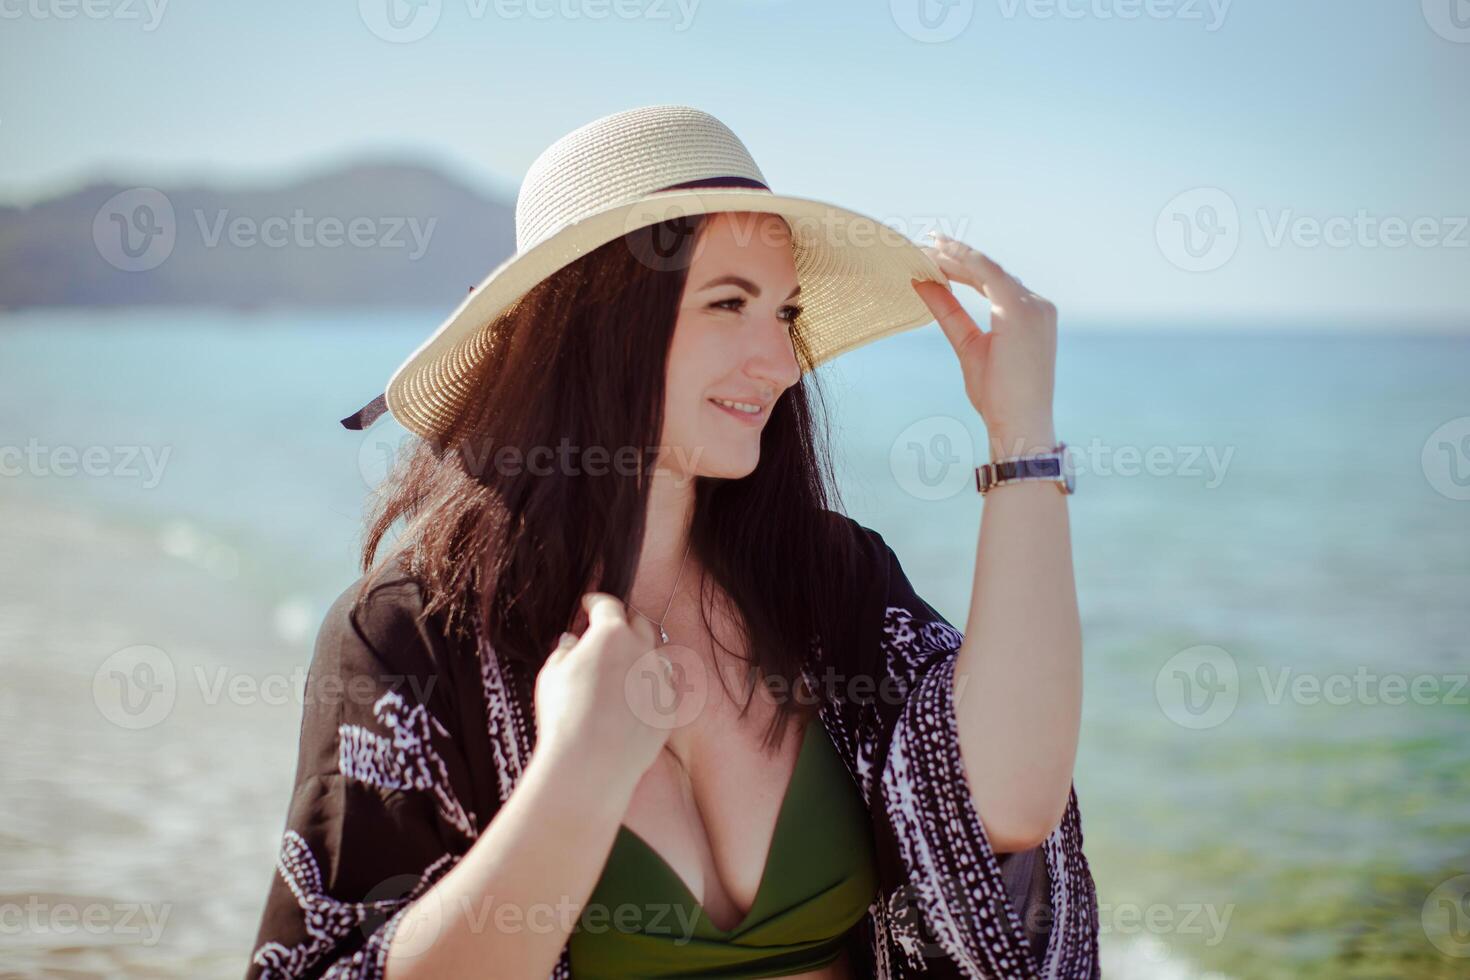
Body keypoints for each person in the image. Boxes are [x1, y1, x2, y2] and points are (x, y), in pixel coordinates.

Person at [245, 104, 1099, 980]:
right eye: (729, 303)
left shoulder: (829, 579)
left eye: (784, 312)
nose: (778, 362)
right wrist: (578, 771)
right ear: (592, 326)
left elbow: (1007, 804)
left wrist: (1019, 434)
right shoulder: (408, 640)